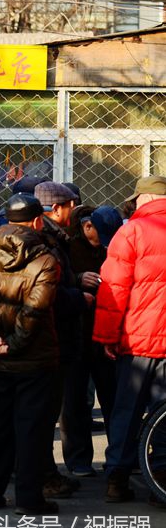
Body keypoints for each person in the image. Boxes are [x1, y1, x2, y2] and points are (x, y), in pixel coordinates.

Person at [0, 194, 61, 515]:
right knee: (32, 429)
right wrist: (13, 343)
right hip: (35, 358)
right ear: (36, 221)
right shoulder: (45, 261)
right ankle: (29, 499)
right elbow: (35, 310)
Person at [94, 176, 166, 504]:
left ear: (146, 198)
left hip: (138, 342)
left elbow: (113, 291)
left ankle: (117, 480)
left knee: (126, 410)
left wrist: (106, 336)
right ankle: (160, 480)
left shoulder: (132, 231)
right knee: (164, 413)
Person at [35, 181, 88, 498]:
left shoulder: (55, 239)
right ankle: (43, 476)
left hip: (48, 339)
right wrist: (79, 297)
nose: (74, 211)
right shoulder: (48, 242)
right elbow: (48, 296)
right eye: (70, 205)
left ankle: (38, 472)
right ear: (56, 209)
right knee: (43, 412)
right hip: (51, 339)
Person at [62, 205, 122, 478]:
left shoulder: (115, 246)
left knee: (114, 401)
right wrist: (77, 280)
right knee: (75, 403)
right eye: (100, 235)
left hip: (107, 337)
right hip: (76, 336)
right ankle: (78, 460)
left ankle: (120, 458)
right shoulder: (68, 249)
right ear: (87, 227)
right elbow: (56, 284)